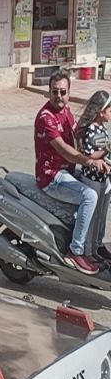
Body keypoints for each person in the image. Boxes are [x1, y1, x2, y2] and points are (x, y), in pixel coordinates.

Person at [34, 69, 108, 274]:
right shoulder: (45, 117)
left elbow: (78, 137)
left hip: (68, 171)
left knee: (105, 188)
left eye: (62, 92)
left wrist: (101, 154)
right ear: (49, 92)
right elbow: (65, 151)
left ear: (69, 92)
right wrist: (89, 162)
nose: (59, 96)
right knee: (90, 195)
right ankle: (75, 252)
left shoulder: (66, 112)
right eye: (55, 92)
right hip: (51, 176)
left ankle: (94, 245)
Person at [75, 90, 111, 263]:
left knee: (101, 217)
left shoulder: (102, 128)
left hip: (104, 179)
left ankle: (96, 246)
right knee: (93, 217)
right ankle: (87, 252)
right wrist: (106, 150)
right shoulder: (90, 130)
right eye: (110, 110)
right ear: (101, 112)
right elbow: (89, 155)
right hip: (92, 181)